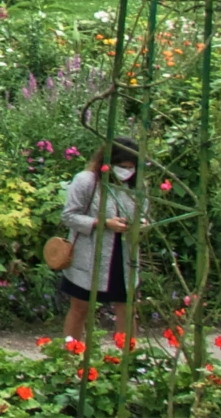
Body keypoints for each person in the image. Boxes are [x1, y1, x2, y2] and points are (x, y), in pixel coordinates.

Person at [60, 139, 139, 343]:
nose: (127, 171)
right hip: (89, 255)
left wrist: (139, 223)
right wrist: (102, 223)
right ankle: (71, 356)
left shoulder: (136, 185)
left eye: (131, 168)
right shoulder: (87, 181)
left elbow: (142, 211)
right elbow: (69, 216)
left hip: (123, 257)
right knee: (80, 308)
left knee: (127, 308)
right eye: (123, 167)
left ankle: (129, 361)